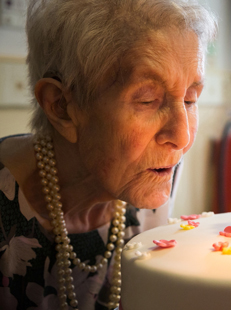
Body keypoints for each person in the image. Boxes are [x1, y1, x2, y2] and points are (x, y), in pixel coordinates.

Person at [0, 0, 216, 309]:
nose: (181, 137)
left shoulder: (153, 171)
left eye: (191, 99)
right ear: (62, 106)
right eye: (148, 100)